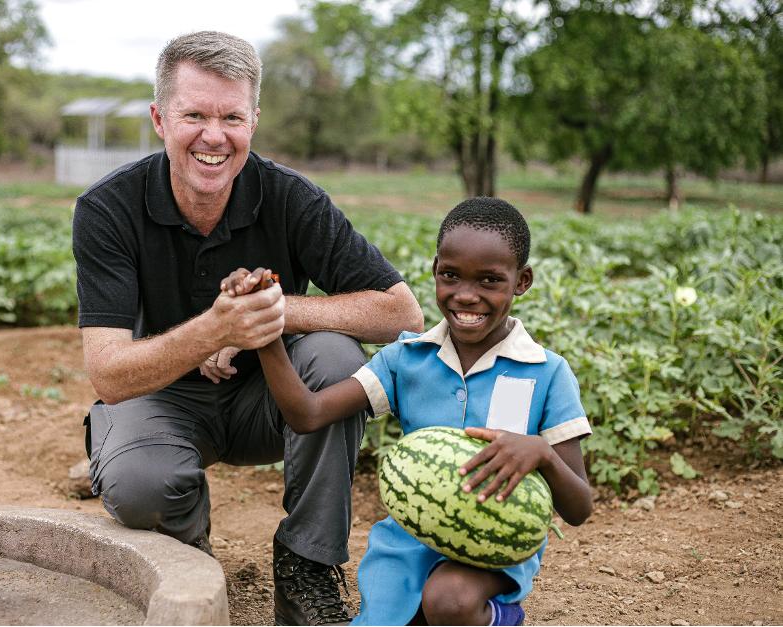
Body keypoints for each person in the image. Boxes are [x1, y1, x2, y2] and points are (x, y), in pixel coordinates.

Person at [71, 30, 425, 626]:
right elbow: (108, 372)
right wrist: (212, 329)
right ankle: (189, 559)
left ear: (254, 120)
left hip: (274, 398)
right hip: (165, 398)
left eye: (232, 116)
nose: (215, 136)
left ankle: (305, 566)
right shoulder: (109, 208)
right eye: (195, 115)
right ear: (160, 118)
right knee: (138, 484)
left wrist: (273, 315)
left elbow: (402, 314)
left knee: (339, 360)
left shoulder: (291, 197)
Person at [223, 197, 594, 626]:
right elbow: (307, 414)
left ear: (522, 280)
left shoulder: (548, 373)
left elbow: (579, 508)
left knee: (450, 602)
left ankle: (499, 616)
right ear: (435, 269)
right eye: (450, 276)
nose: (466, 295)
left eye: (490, 280)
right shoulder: (407, 359)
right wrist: (266, 332)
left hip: (493, 553)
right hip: (406, 547)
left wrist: (541, 453)